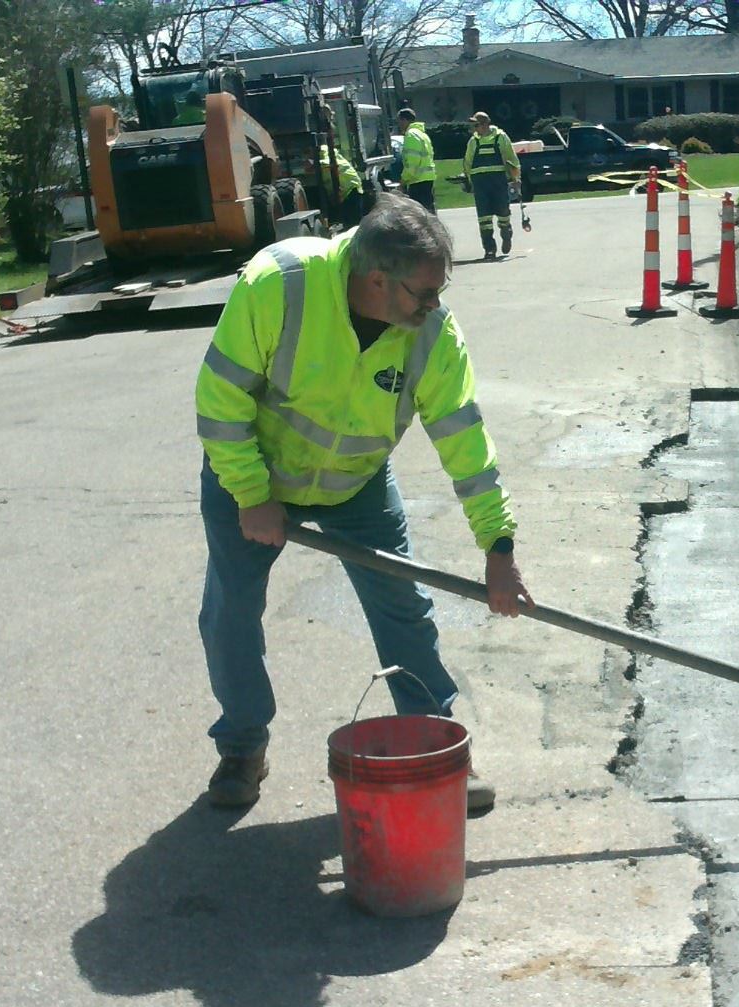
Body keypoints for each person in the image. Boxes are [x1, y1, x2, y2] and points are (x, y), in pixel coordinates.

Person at [193, 194, 531, 812]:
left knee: (403, 607)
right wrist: (252, 495)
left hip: (355, 484)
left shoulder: (432, 333)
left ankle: (436, 746)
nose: (433, 307)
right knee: (230, 615)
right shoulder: (280, 284)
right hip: (255, 480)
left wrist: (498, 547)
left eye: (438, 292)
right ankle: (242, 748)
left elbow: (465, 442)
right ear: (375, 279)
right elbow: (220, 402)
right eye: (420, 295)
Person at [462, 111, 522, 260]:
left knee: (503, 212)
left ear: (485, 125)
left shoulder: (500, 137)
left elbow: (511, 157)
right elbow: (468, 162)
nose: (474, 129)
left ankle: (506, 233)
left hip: (497, 181)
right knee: (484, 218)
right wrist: (468, 181)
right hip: (480, 183)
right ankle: (489, 248)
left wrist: (516, 177)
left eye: (476, 125)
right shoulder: (473, 142)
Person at [395, 108, 437, 212]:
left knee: (419, 214)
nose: (399, 125)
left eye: (399, 121)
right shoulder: (422, 134)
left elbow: (412, 163)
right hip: (427, 178)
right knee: (428, 212)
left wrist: (403, 181)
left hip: (418, 180)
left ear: (404, 120)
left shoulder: (411, 135)